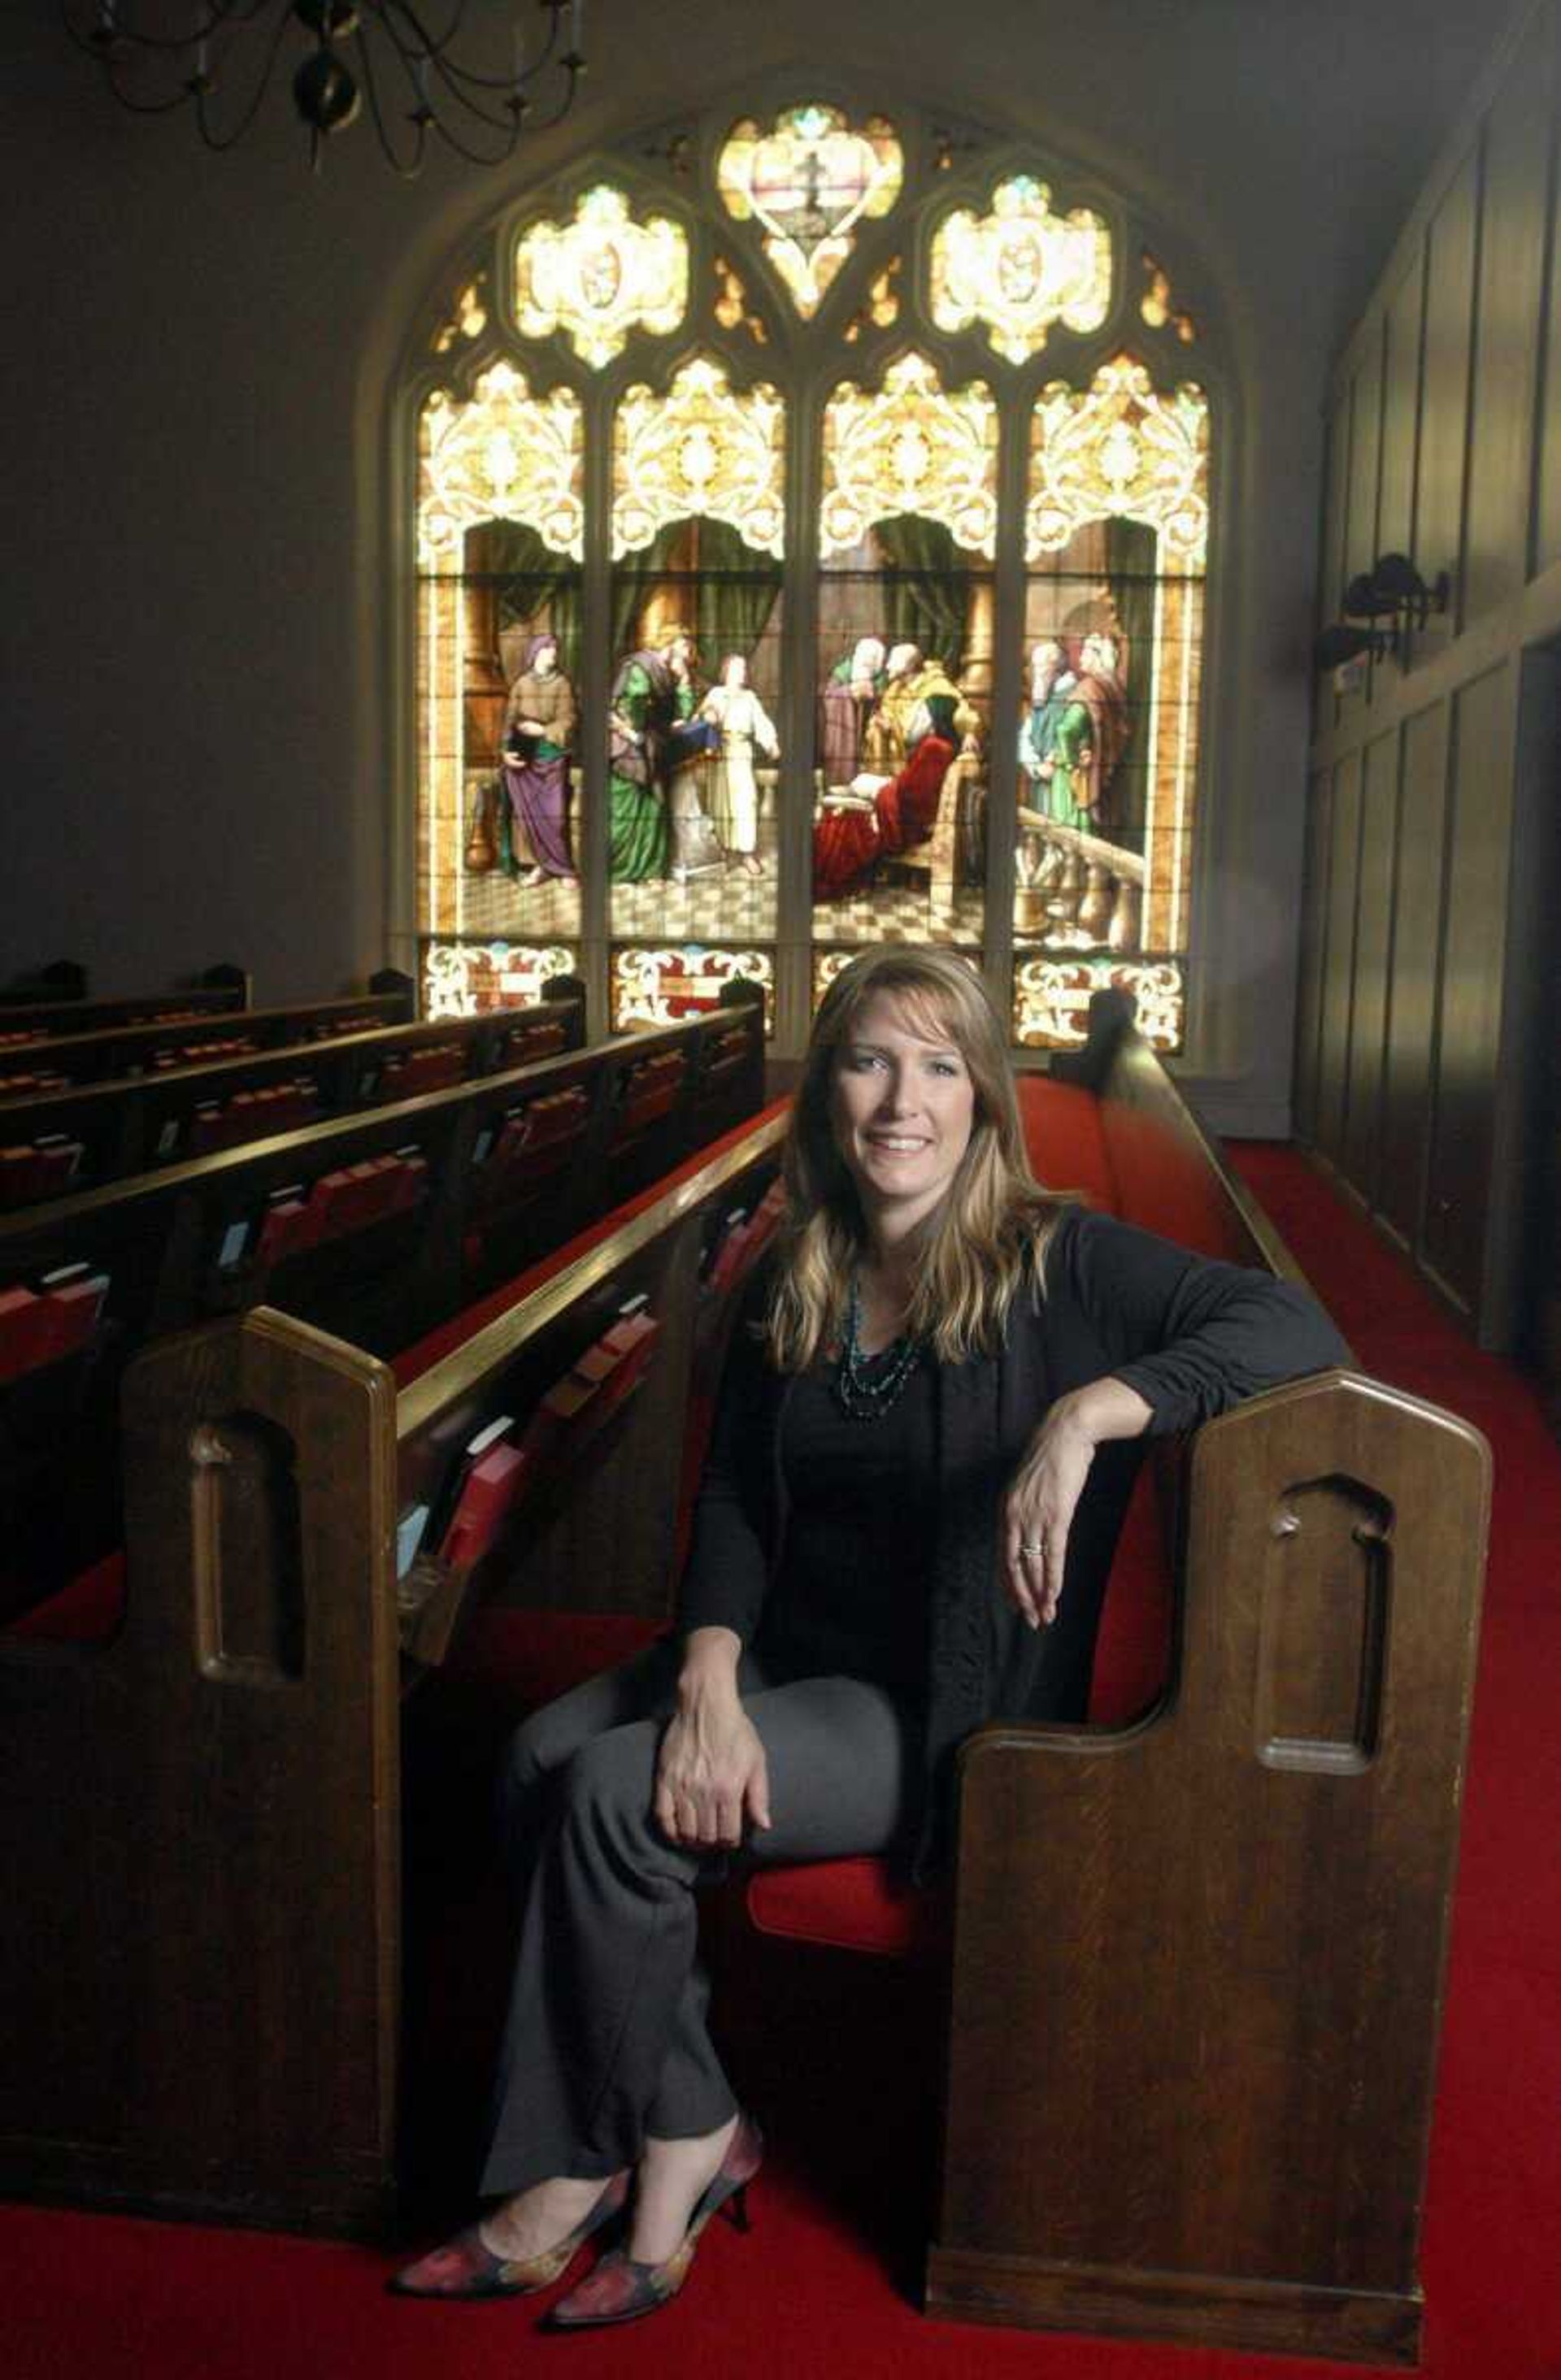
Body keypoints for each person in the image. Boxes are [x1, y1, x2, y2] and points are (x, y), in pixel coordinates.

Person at [392, 947, 1347, 2327]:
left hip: (937, 1701)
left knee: (612, 1798)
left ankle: (568, 2172)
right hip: (783, 1647)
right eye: (871, 1059)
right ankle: (699, 2112)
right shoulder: (805, 1265)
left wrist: (1091, 1413)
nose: (904, 1100)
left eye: (941, 1066)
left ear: (985, 1101)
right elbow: (732, 1496)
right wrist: (709, 1671)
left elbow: (1293, 1324)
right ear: (828, 1084)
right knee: (540, 1750)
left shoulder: (1056, 1259)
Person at [500, 633, 578, 886]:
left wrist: (543, 731)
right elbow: (509, 721)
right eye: (548, 649)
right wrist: (505, 752)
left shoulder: (562, 684)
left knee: (554, 817)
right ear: (536, 653)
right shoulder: (521, 684)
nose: (553, 653)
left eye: (555, 649)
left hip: (552, 756)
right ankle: (539, 866)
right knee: (527, 816)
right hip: (524, 760)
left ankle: (564, 869)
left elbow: (569, 720)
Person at [699, 654, 779, 875]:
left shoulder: (750, 697)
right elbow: (702, 717)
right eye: (738, 668)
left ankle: (747, 853)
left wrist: (771, 743)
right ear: (727, 671)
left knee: (747, 801)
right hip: (719, 752)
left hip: (741, 751)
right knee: (720, 801)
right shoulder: (716, 693)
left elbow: (761, 722)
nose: (743, 672)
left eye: (744, 668)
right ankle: (723, 850)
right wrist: (709, 715)